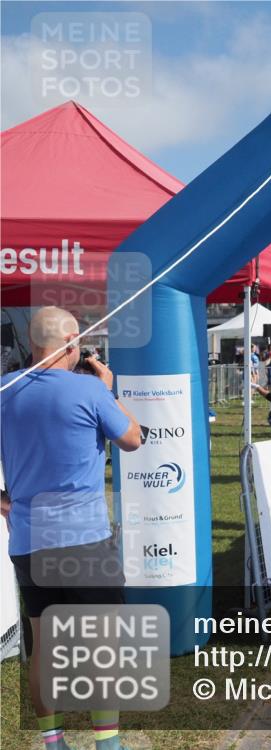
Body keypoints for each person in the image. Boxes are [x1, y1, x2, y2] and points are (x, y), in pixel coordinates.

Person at [1, 307, 142, 750]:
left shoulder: (5, 389)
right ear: (72, 341)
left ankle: (54, 742)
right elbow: (133, 438)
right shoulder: (89, 389)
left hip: (28, 540)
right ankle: (107, 743)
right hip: (84, 539)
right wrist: (109, 391)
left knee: (44, 646)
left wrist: (5, 504)